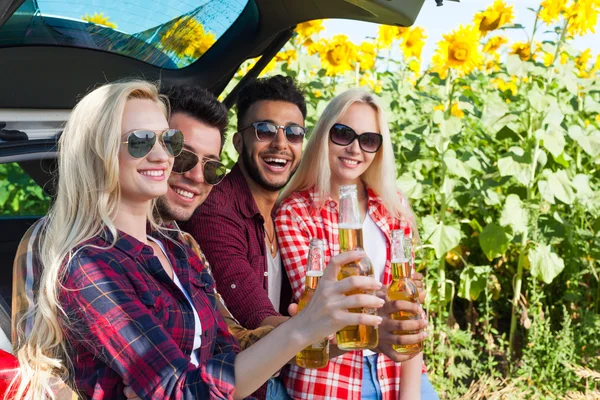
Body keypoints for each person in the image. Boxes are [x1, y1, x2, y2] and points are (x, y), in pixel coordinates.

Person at [11, 80, 386, 399]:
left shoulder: (177, 249)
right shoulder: (85, 261)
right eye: (141, 141)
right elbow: (45, 369)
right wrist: (304, 327)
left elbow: (228, 348)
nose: (163, 156)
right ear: (98, 151)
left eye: (168, 141)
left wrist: (326, 328)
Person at [276, 89, 436, 399]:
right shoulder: (297, 213)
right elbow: (317, 315)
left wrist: (411, 394)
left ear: (378, 148)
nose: (354, 149)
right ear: (324, 135)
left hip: (395, 369)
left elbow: (408, 309)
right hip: (330, 378)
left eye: (368, 140)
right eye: (343, 134)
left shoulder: (392, 206)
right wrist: (384, 316)